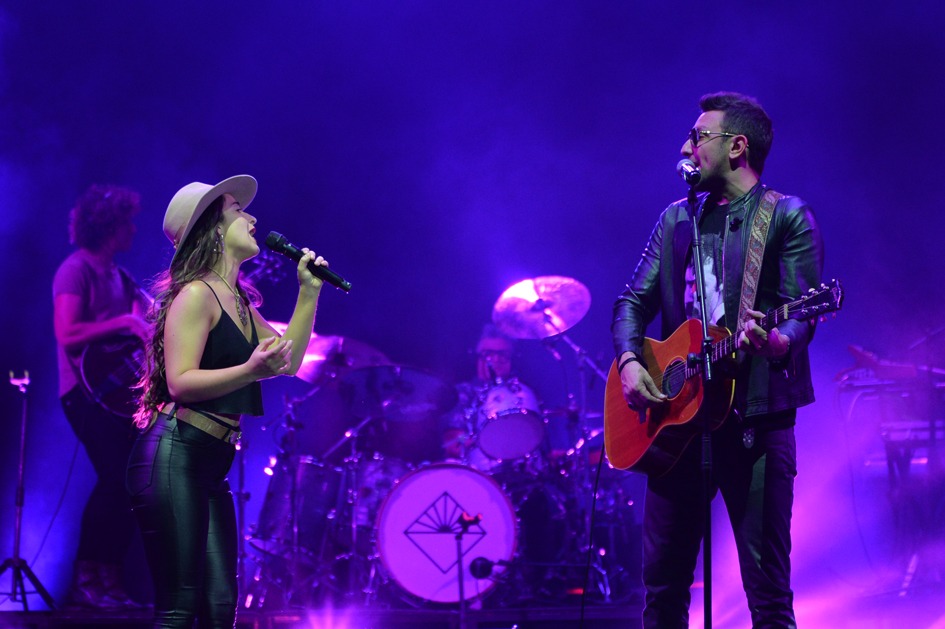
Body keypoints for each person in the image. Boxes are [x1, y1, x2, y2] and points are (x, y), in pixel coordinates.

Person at [611, 92, 824, 627]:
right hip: (676, 424)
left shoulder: (787, 217)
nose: (686, 146)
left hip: (755, 420)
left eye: (698, 136)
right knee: (661, 592)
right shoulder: (675, 220)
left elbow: (802, 314)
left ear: (737, 147)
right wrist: (631, 362)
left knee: (768, 594)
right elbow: (631, 304)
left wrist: (776, 341)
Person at [126, 175, 328, 627]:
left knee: (220, 604)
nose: (252, 218)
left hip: (210, 460)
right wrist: (249, 370)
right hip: (175, 451)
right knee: (181, 604)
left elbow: (287, 361)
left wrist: (308, 293)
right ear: (213, 228)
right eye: (238, 210)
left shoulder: (235, 299)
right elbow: (179, 382)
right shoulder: (196, 293)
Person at [52, 184, 152, 610]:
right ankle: (85, 577)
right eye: (126, 222)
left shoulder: (120, 275)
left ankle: (109, 580)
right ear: (109, 227)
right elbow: (67, 333)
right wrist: (126, 322)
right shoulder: (75, 270)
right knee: (115, 477)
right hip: (84, 394)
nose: (133, 229)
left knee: (132, 485)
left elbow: (151, 317)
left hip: (115, 398)